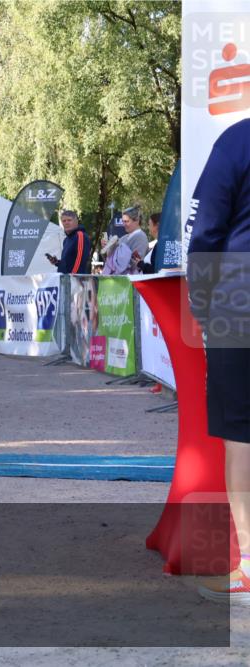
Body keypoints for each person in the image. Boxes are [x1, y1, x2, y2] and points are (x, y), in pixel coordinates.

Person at [187, 119, 250, 607]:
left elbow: (206, 231)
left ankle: (249, 565)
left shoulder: (235, 141)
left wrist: (202, 303)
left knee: (242, 435)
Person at [101, 206, 148, 275]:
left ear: (137, 220)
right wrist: (107, 247)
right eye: (123, 221)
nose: (124, 224)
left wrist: (116, 257)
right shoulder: (123, 238)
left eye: (126, 221)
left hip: (131, 281)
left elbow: (135, 264)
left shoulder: (141, 237)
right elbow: (109, 260)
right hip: (119, 280)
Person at [48, 210, 92, 274]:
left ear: (76, 221)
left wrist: (71, 278)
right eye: (64, 221)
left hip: (75, 280)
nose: (66, 223)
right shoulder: (66, 240)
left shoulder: (80, 235)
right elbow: (69, 263)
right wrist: (57, 262)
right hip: (66, 278)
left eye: (69, 220)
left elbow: (80, 261)